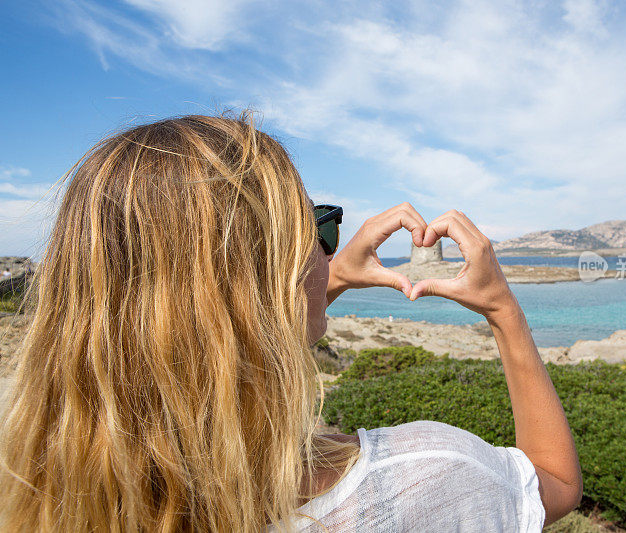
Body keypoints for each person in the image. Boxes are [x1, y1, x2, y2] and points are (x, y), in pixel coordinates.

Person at [0, 112, 581, 531]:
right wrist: (504, 311)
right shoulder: (422, 478)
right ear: (276, 274)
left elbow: (212, 332)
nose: (330, 249)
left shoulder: (41, 483)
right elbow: (554, 482)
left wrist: (327, 279)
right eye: (317, 229)